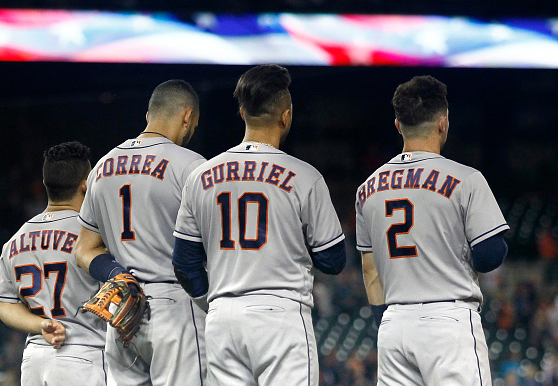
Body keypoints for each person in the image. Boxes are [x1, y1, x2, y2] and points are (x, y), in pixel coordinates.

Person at [172, 64, 346, 385]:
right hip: (280, 315)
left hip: (222, 314)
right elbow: (333, 261)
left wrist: (212, 301)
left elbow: (184, 264)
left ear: (242, 112)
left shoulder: (200, 176)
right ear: (286, 116)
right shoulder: (304, 176)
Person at [355, 75, 509, 385]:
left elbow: (370, 269)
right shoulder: (466, 179)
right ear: (443, 122)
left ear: (398, 124)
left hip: (394, 324)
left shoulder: (367, 189)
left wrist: (386, 318)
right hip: (448, 322)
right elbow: (491, 254)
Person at [74, 80, 206, 385]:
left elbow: (84, 249)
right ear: (187, 117)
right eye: (193, 124)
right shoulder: (191, 165)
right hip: (176, 306)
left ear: (149, 115)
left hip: (121, 307)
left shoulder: (102, 167)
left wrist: (118, 274)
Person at [0, 141, 106, 386]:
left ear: (45, 184)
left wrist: (42, 324)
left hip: (35, 359)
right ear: (87, 184)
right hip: (84, 355)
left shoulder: (15, 239)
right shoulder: (95, 234)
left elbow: (2, 305)